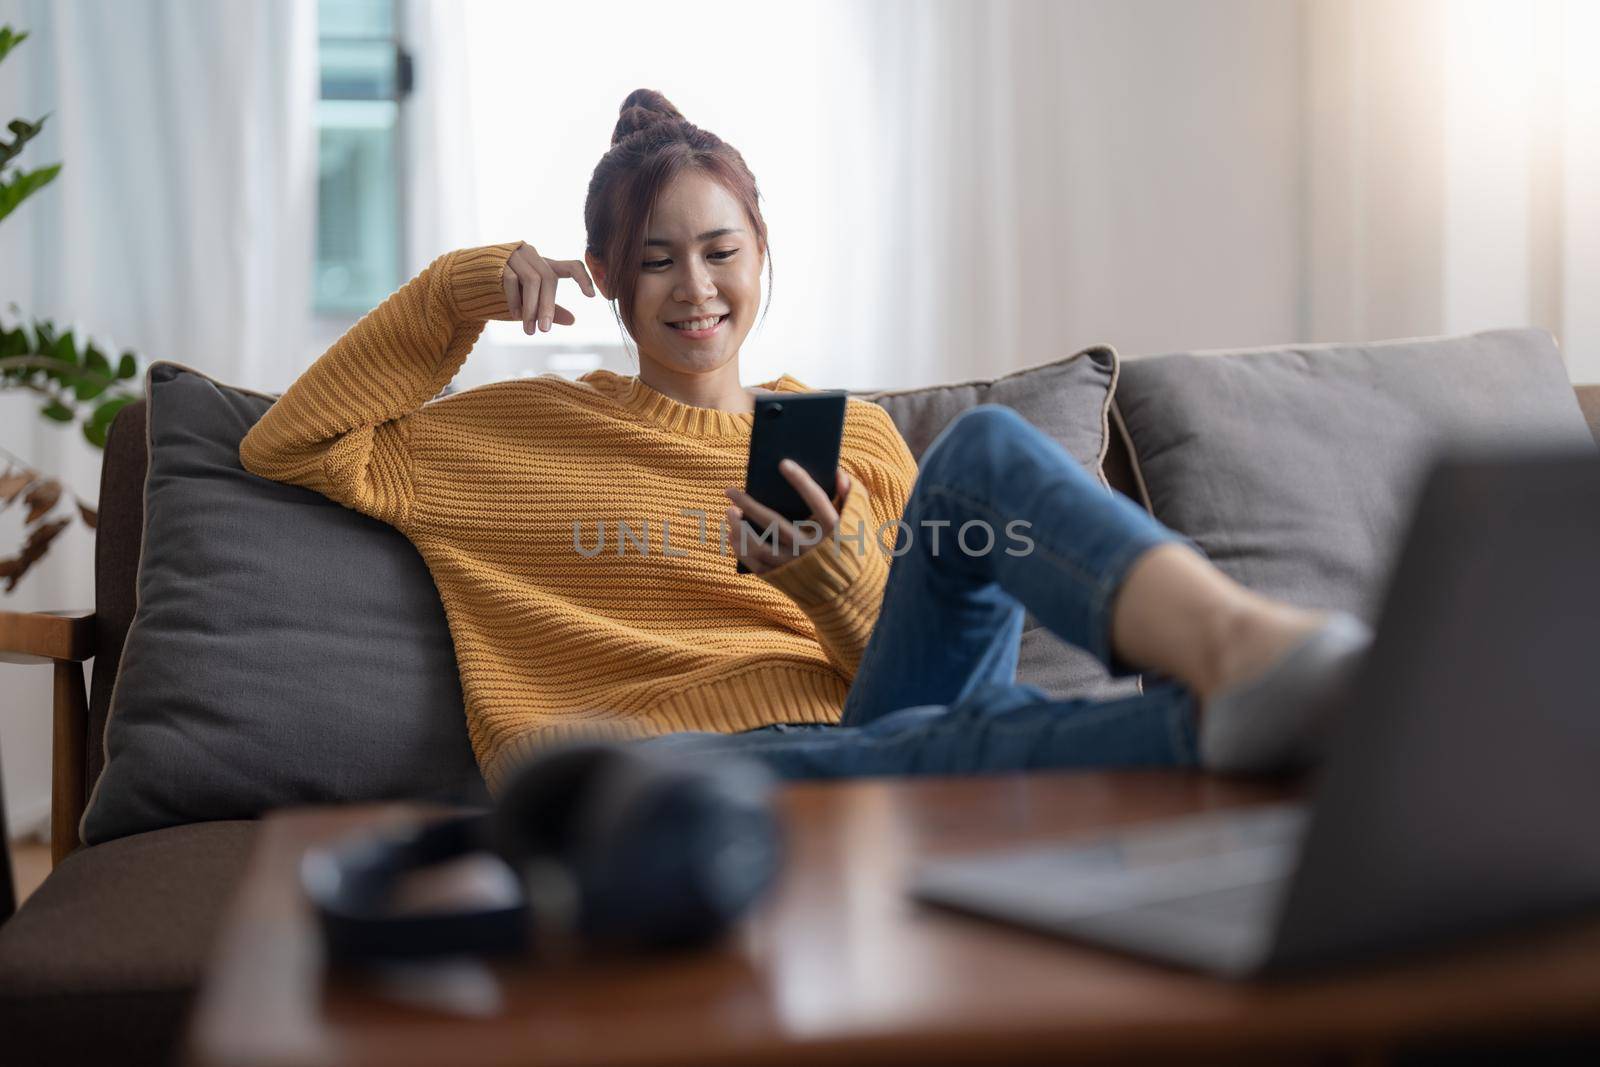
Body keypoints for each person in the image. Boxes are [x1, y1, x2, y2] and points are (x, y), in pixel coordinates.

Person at [240, 89, 1370, 794]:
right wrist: (461, 289)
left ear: (761, 253)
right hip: (653, 773)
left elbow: (897, 674)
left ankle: (1244, 651)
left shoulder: (856, 441)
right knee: (957, 745)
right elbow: (288, 445)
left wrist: (827, 574)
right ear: (609, 280)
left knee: (978, 462)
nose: (695, 288)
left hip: (864, 733)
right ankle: (1284, 714)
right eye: (655, 259)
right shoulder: (507, 436)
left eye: (721, 250)